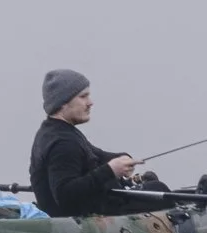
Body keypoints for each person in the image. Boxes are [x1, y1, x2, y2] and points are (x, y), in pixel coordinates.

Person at [29, 69, 171, 217]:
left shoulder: (55, 130)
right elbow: (65, 196)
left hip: (99, 206)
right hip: (82, 223)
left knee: (153, 184)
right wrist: (110, 170)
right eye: (83, 97)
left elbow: (96, 154)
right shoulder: (63, 144)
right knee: (160, 191)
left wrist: (122, 159)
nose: (90, 103)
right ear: (63, 103)